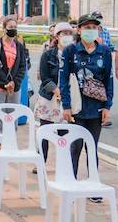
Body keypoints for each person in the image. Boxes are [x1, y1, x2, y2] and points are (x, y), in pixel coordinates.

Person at [60, 14, 114, 203]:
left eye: (94, 27)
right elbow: (64, 80)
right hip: (77, 108)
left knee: (92, 147)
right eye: (87, 27)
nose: (91, 30)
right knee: (75, 147)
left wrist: (107, 106)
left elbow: (108, 80)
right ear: (79, 29)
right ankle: (71, 185)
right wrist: (66, 106)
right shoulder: (70, 51)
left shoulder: (104, 51)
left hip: (96, 108)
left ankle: (93, 186)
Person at [34, 22, 74, 172]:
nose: (67, 36)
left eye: (69, 33)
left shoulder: (75, 54)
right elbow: (44, 78)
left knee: (64, 132)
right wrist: (56, 90)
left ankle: (64, 164)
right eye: (64, 33)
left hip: (67, 99)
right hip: (49, 98)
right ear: (56, 36)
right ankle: (40, 162)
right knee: (44, 131)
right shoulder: (48, 55)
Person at [0, 18, 26, 105]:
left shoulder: (19, 46)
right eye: (11, 27)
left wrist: (14, 83)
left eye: (15, 27)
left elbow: (22, 66)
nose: (13, 29)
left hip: (14, 87)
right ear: (4, 29)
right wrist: (6, 83)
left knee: (13, 112)